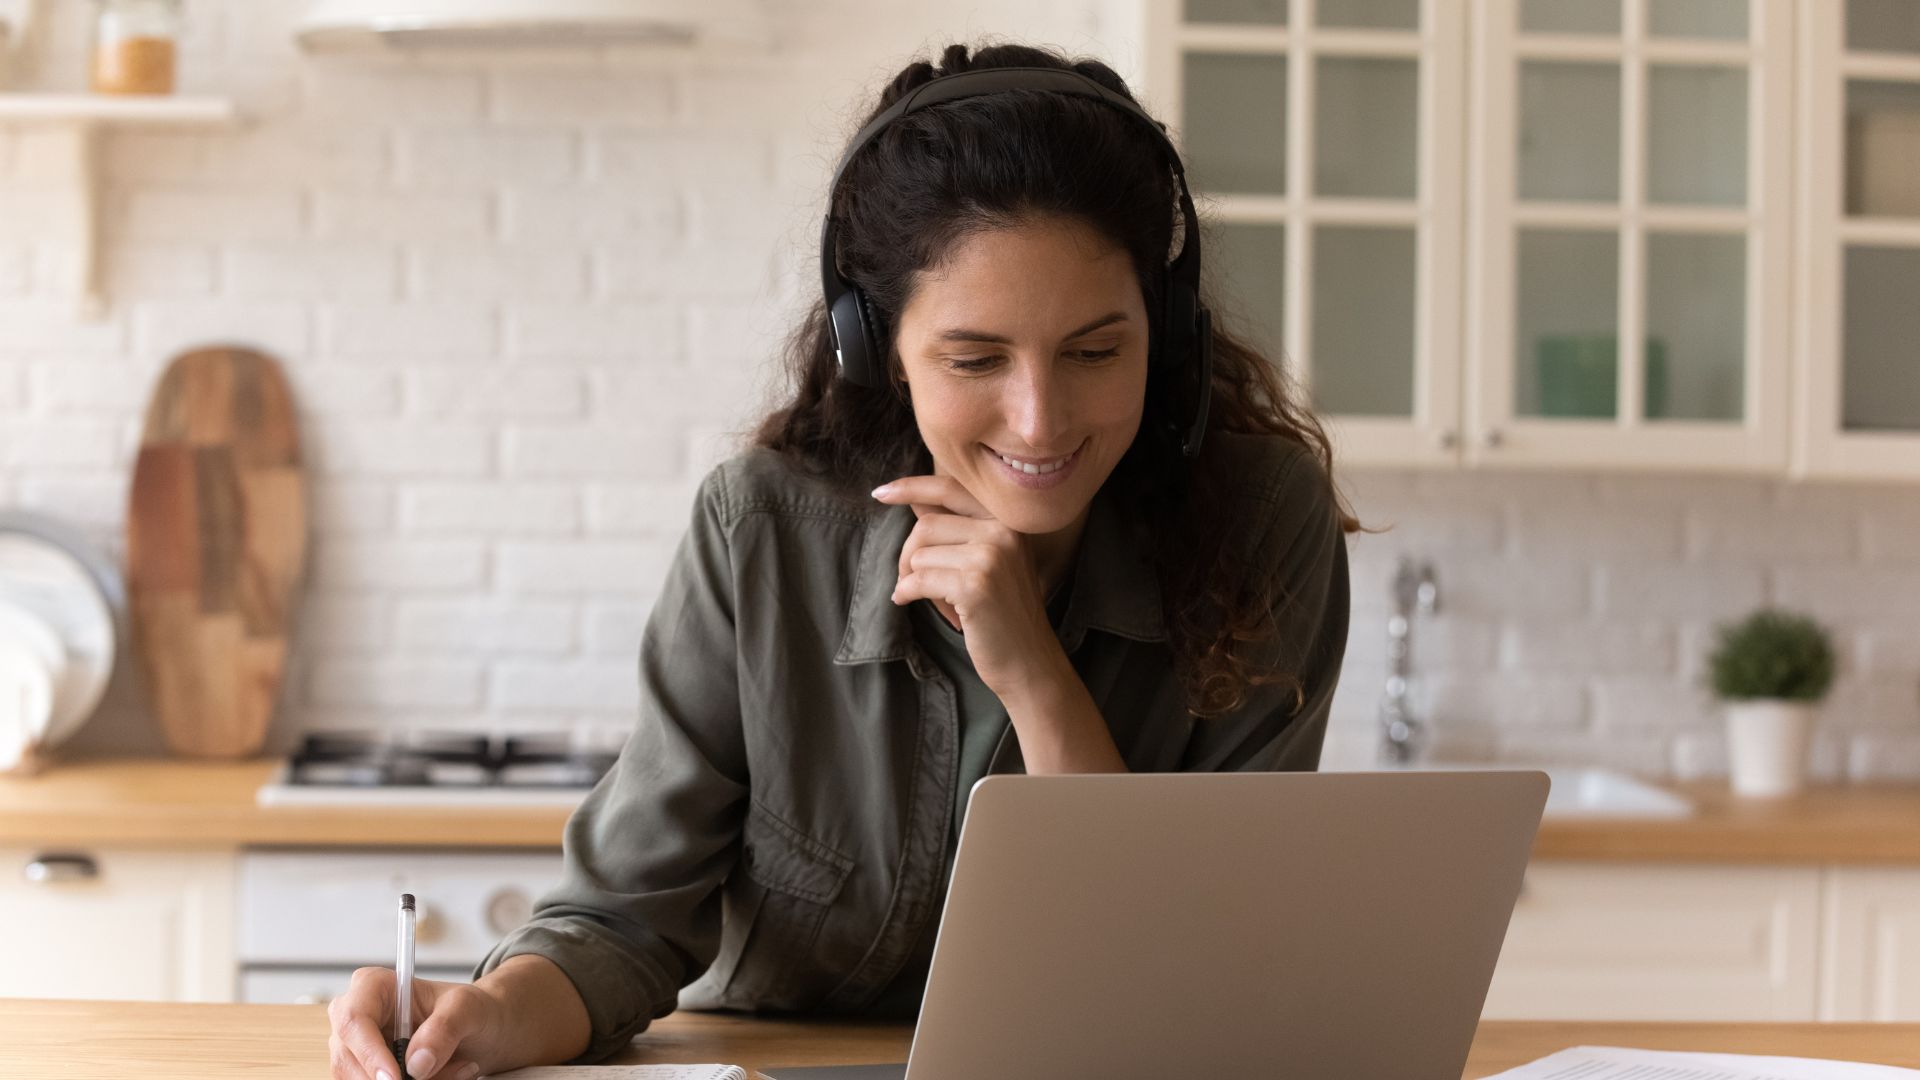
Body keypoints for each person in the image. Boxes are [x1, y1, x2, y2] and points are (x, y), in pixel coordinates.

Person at [326, 40, 1355, 1080]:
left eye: (1096, 351)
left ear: (1166, 333)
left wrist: (1033, 672)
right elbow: (623, 922)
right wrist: (488, 1013)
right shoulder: (761, 532)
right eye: (975, 358)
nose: (1040, 421)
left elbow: (1187, 984)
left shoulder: (1264, 526)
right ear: (879, 351)